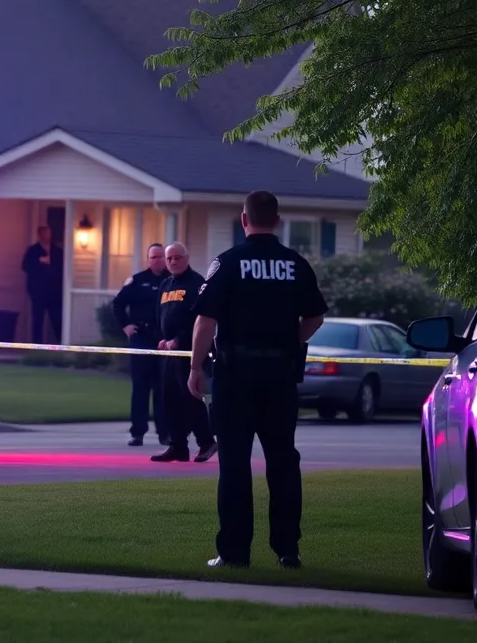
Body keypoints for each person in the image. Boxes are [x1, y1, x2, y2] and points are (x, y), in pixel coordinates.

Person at [187, 190, 328, 570]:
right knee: (283, 462)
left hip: (236, 377)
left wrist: (195, 366)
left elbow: (205, 320)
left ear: (244, 220)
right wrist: (289, 341)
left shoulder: (229, 263)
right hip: (280, 377)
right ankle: (287, 549)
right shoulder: (294, 264)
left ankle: (234, 553)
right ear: (277, 221)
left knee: (234, 464)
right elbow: (315, 317)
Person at [152, 242, 217, 464]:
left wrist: (179, 339)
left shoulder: (196, 283)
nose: (172, 261)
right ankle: (177, 446)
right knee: (169, 399)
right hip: (169, 353)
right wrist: (163, 339)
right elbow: (161, 316)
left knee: (190, 397)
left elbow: (200, 321)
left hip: (189, 352)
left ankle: (206, 441)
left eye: (177, 257)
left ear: (186, 258)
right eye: (169, 258)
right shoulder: (165, 285)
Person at [111, 243, 169, 447]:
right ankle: (137, 433)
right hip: (141, 338)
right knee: (140, 387)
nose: (157, 260)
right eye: (153, 257)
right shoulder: (137, 281)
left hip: (162, 339)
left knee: (162, 388)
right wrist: (125, 325)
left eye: (161, 256)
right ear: (148, 259)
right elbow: (118, 304)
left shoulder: (171, 281)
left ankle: (165, 433)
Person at [20, 226, 63, 344]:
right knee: (37, 319)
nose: (46, 236)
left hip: (54, 292)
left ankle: (60, 344)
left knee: (56, 319)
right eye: (43, 234)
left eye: (48, 233)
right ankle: (36, 346)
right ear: (39, 235)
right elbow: (25, 266)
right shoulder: (33, 250)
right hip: (38, 292)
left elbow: (62, 269)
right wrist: (39, 261)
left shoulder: (57, 251)